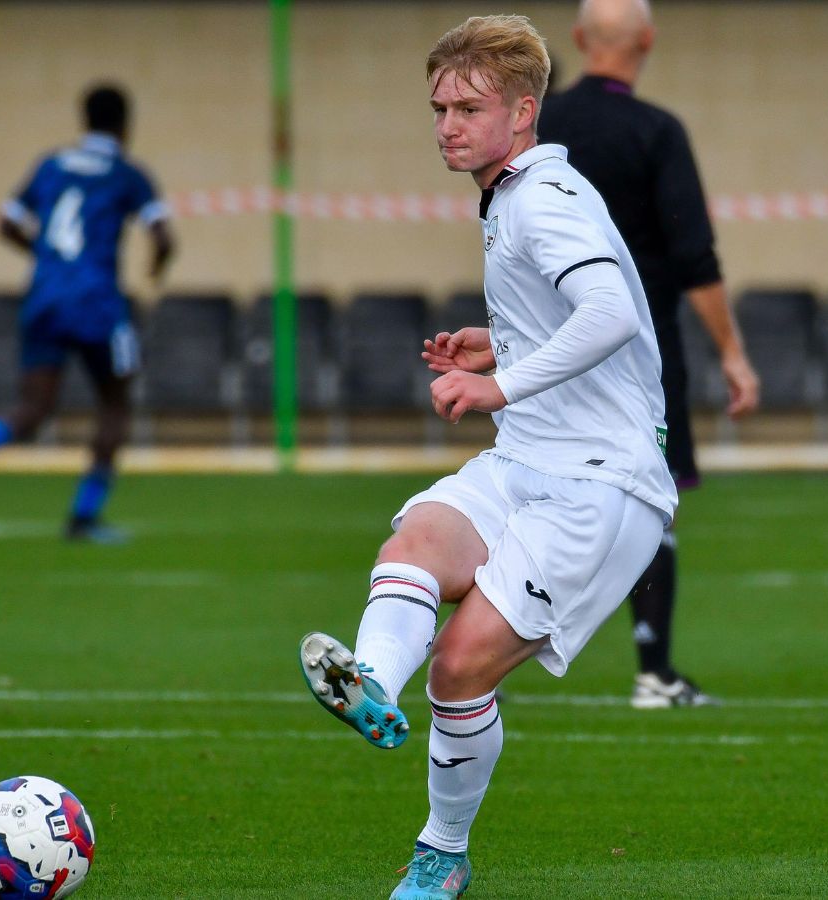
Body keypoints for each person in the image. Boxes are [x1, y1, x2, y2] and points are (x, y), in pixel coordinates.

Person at [296, 15, 677, 899]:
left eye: (468, 107)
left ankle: (441, 853)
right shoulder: (512, 192)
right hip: (529, 458)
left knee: (462, 668)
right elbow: (577, 321)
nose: (447, 125)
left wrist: (500, 387)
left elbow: (613, 313)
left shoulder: (544, 198)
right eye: (437, 107)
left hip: (602, 485)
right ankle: (369, 690)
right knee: (414, 545)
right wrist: (497, 346)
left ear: (523, 111)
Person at [539, 0, 759, 710]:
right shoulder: (656, 132)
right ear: (648, 44)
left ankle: (475, 664)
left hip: (544, 353)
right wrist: (733, 353)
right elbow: (695, 254)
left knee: (526, 495)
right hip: (638, 360)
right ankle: (654, 673)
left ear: (577, 41)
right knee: (650, 506)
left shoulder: (539, 132)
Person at [0, 83, 175, 542]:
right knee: (115, 404)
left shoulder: (51, 164)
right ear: (125, 125)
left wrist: (45, 258)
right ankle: (83, 517)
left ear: (84, 120)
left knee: (34, 407)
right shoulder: (127, 174)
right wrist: (156, 268)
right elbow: (163, 237)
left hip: (45, 297)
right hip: (97, 303)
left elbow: (6, 222)